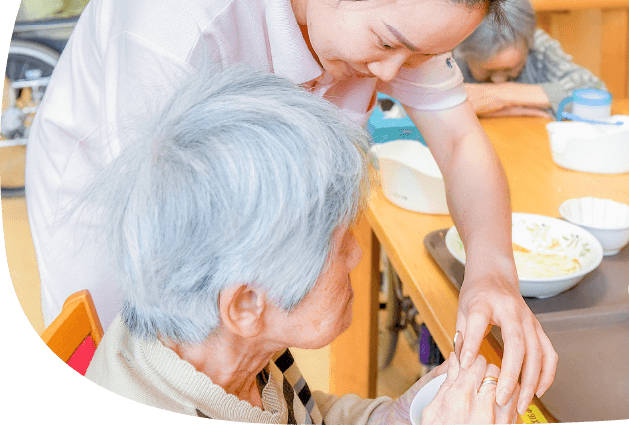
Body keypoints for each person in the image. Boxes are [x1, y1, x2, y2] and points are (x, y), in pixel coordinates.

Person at [26, 0, 556, 416]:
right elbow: (155, 232)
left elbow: (460, 141)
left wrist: (492, 271)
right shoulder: (185, 18)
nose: (393, 74)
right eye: (386, 42)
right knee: (153, 359)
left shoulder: (402, 5)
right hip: (117, 195)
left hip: (241, 288)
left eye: (424, 54)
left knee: (255, 378)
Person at [81, 63, 520, 424]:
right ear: (246, 303)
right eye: (337, 243)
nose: (356, 253)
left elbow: (306, 416)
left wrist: (398, 416)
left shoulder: (221, 347)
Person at [453, 0, 608, 118]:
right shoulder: (450, 52)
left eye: (509, 69)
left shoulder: (539, 47)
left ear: (529, 43)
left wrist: (506, 94)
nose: (498, 80)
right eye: (487, 70)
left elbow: (595, 90)